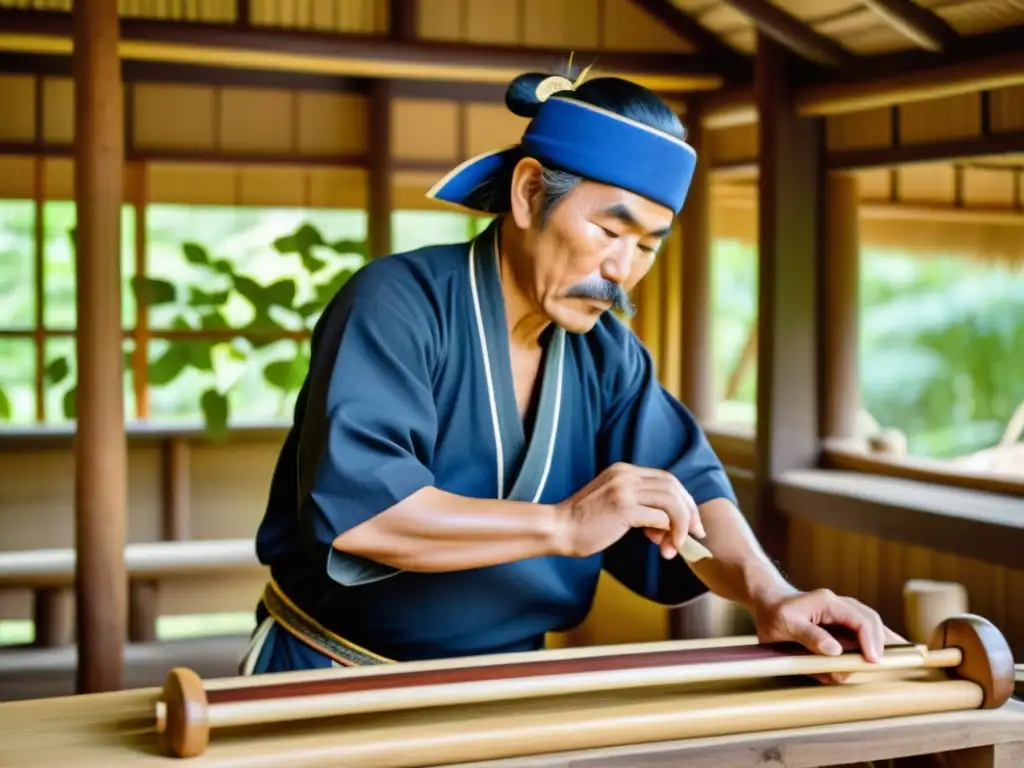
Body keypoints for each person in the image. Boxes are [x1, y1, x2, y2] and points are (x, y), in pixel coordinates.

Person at [243, 68, 896, 675]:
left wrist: (770, 592)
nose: (622, 269)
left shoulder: (607, 355)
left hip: (505, 688)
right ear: (530, 194)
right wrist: (563, 524)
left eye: (647, 246)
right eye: (611, 231)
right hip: (331, 670)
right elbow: (367, 514)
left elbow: (691, 492)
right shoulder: (398, 303)